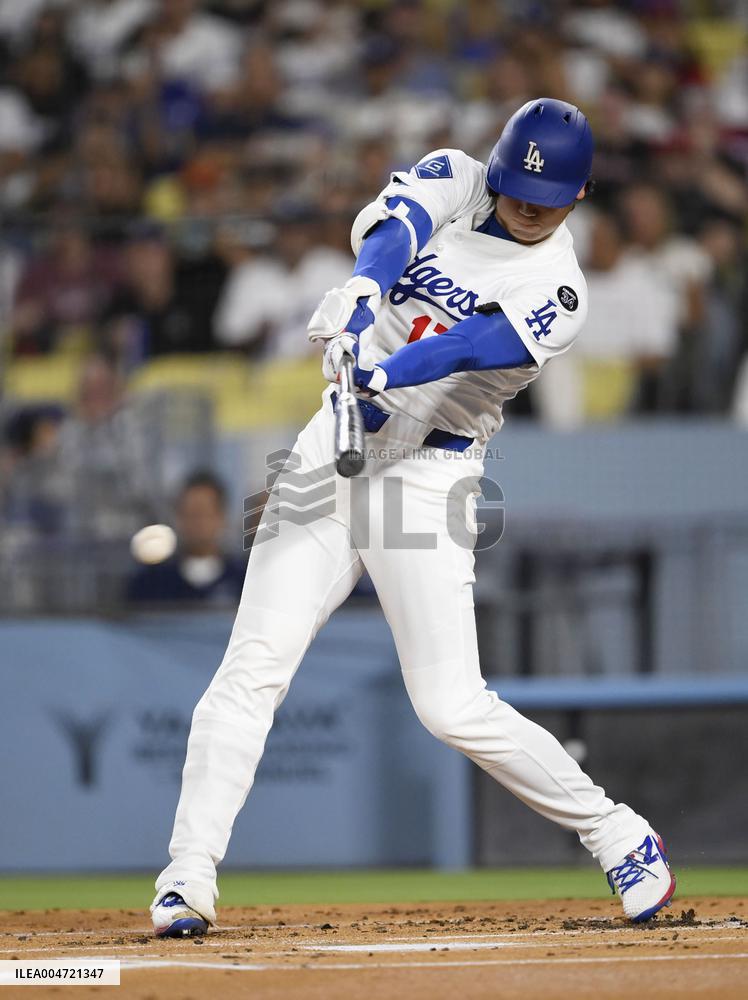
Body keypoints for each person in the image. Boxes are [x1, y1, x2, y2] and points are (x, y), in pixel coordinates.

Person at [150, 98, 676, 938]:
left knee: (450, 704)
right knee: (251, 668)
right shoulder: (460, 177)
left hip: (429, 471)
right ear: (499, 171)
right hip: (332, 449)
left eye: (550, 196)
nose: (529, 205)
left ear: (579, 198)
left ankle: (619, 833)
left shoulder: (562, 288)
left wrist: (382, 369)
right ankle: (188, 875)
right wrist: (362, 293)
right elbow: (395, 230)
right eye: (518, 189)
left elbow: (470, 347)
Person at [127, 471, 245, 606]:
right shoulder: (150, 583)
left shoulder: (244, 580)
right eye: (190, 514)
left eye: (204, 513)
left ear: (221, 517)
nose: (198, 523)